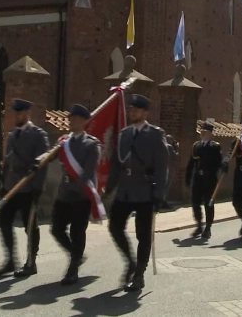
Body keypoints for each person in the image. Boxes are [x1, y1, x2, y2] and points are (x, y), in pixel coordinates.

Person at [106, 94, 168, 292]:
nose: (133, 112)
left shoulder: (155, 134)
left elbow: (162, 166)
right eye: (131, 109)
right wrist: (108, 187)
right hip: (124, 191)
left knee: (143, 235)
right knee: (115, 226)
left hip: (145, 191)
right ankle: (130, 261)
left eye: (137, 110)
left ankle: (139, 274)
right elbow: (117, 163)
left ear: (145, 112)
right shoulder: (124, 134)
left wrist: (159, 194)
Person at [0, 99, 49, 278]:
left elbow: (43, 162)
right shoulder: (11, 135)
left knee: (30, 226)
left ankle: (31, 262)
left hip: (27, 188)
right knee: (4, 222)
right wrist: (3, 184)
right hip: (11, 188)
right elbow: (8, 162)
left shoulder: (38, 135)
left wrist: (37, 188)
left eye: (21, 113)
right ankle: (11, 260)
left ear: (27, 114)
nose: (17, 116)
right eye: (15, 113)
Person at [51, 104, 101, 286]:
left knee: (77, 231)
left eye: (77, 119)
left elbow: (88, 171)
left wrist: (77, 186)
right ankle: (76, 255)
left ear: (85, 122)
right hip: (64, 194)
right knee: (56, 229)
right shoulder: (64, 141)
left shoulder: (92, 144)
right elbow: (51, 158)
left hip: (82, 195)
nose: (72, 121)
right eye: (71, 118)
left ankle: (73, 270)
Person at [185, 122, 223, 239]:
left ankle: (208, 227)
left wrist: (222, 167)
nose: (203, 134)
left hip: (210, 179)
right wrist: (188, 177)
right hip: (198, 179)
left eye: (205, 132)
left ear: (210, 134)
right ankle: (199, 224)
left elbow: (218, 163)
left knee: (208, 204)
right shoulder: (196, 146)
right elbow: (191, 163)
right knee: (195, 202)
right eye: (202, 132)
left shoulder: (215, 146)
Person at [161, 135, 178, 210]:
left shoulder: (160, 146)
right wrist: (177, 149)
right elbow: (175, 156)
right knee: (166, 187)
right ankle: (163, 202)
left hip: (160, 170)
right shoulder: (170, 147)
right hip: (169, 169)